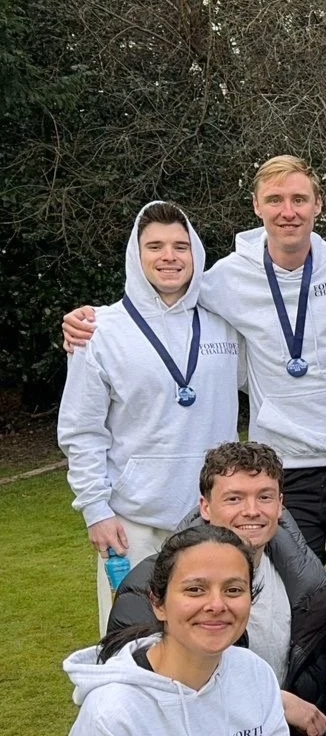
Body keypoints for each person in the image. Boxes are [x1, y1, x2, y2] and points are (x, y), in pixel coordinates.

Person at [64, 156, 326, 579]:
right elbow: (157, 308)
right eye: (275, 199)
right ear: (256, 206)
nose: (287, 210)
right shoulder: (221, 282)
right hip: (281, 463)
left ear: (318, 204)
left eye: (298, 199)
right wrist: (90, 321)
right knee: (288, 592)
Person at [57, 200, 241, 630]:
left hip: (210, 517)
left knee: (209, 634)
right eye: (154, 246)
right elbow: (81, 432)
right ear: (135, 256)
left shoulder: (225, 325)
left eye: (180, 245)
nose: (169, 257)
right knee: (131, 638)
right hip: (131, 523)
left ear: (195, 253)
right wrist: (95, 510)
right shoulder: (98, 331)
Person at [108, 441, 326, 736]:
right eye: (234, 499)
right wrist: (274, 700)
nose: (251, 511)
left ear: (281, 504)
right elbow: (134, 688)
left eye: (265, 497)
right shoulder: (148, 586)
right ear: (205, 507)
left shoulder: (317, 585)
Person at [63, 524, 289, 736]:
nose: (217, 605)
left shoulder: (255, 674)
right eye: (195, 589)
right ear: (158, 604)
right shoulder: (112, 714)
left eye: (233, 590)